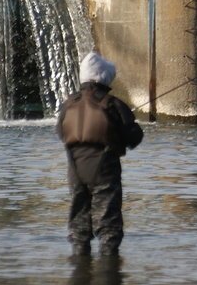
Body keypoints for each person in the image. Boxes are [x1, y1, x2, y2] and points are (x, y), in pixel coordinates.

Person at [56, 52, 144, 257]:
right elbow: (134, 138)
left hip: (75, 170)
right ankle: (109, 267)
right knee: (108, 225)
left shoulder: (68, 105)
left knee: (79, 225)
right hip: (104, 169)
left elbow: (61, 132)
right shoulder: (113, 104)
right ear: (104, 77)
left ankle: (80, 265)